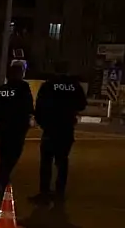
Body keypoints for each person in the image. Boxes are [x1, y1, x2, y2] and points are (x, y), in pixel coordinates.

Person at [32, 64, 87, 203]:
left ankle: (44, 192)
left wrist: (41, 122)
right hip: (66, 129)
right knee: (62, 161)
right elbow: (82, 104)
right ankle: (59, 191)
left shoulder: (49, 85)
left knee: (46, 162)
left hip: (50, 128)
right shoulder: (74, 86)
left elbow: (39, 105)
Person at [0, 63, 35, 195]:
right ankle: (1, 180)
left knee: (4, 156)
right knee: (13, 156)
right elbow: (28, 107)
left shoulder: (2, 89)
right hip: (17, 128)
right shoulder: (23, 88)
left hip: (3, 127)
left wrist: (0, 114)